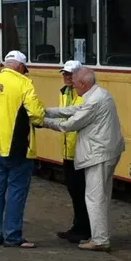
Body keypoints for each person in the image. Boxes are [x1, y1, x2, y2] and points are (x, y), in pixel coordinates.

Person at [40, 66, 125, 251]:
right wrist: (46, 111)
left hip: (98, 153)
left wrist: (42, 121)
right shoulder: (99, 94)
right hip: (108, 151)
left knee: (94, 197)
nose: (74, 88)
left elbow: (70, 124)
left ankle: (100, 239)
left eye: (76, 85)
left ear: (84, 84)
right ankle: (101, 234)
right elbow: (74, 109)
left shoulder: (94, 101)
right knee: (102, 195)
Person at [0, 50, 45, 248]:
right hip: (18, 146)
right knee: (16, 190)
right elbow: (36, 114)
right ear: (21, 67)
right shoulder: (24, 84)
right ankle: (13, 235)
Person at [54, 60, 92, 243]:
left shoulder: (84, 96)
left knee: (82, 192)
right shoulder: (65, 92)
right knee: (74, 192)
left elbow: (74, 120)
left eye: (70, 74)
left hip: (80, 151)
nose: (67, 78)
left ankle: (84, 229)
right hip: (68, 151)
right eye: (65, 74)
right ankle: (78, 226)